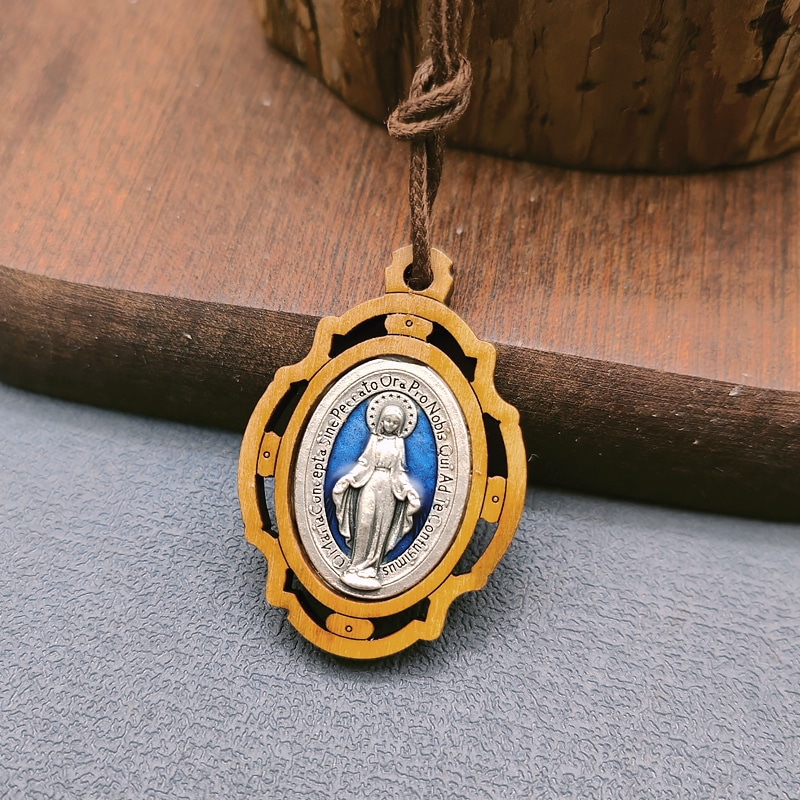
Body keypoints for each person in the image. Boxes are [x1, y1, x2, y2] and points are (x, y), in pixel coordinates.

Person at [332, 401, 421, 591]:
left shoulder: (399, 443)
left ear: (400, 425)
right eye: (387, 420)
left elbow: (399, 471)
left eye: (395, 423)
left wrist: (407, 490)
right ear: (380, 420)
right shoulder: (374, 439)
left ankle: (371, 567)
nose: (390, 425)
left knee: (381, 527)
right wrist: (349, 478)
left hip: (389, 488)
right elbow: (364, 463)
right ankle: (356, 564)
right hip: (370, 482)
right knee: (364, 523)